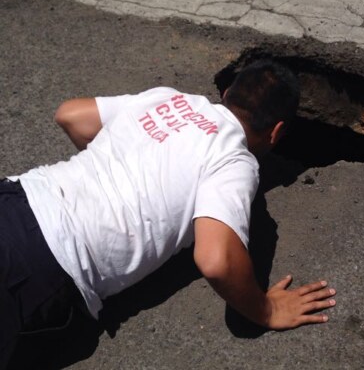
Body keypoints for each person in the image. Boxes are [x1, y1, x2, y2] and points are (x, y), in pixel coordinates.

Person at [0, 60, 336, 368]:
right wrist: (267, 310)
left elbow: (72, 115)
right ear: (276, 133)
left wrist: (121, 172)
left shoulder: (169, 98)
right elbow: (216, 260)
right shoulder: (234, 160)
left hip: (16, 198)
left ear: (226, 93)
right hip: (44, 266)